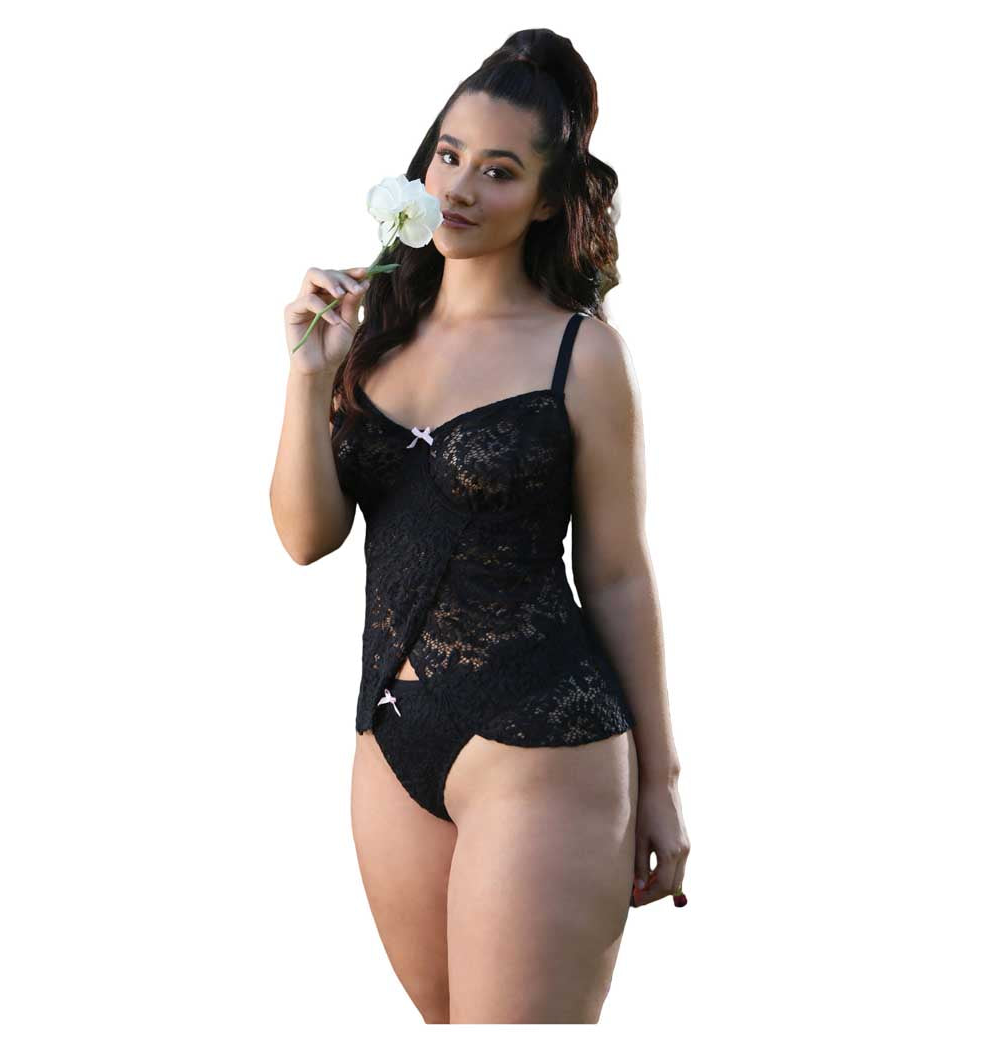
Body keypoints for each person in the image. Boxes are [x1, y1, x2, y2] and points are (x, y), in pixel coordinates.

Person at [269, 28, 689, 1024]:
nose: (457, 188)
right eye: (448, 155)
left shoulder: (582, 355)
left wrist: (661, 783)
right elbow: (305, 537)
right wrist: (308, 378)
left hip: (543, 742)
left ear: (546, 199)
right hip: (390, 742)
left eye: (498, 171)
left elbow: (619, 575)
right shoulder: (370, 337)